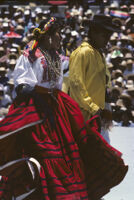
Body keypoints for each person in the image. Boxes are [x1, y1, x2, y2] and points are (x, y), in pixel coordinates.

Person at [0, 17, 128, 200]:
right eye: (58, 34)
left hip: (56, 107)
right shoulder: (31, 55)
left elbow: (60, 84)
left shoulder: (57, 56)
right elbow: (23, 83)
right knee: (43, 153)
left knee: (68, 154)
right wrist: (35, 96)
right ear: (48, 36)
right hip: (37, 110)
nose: (61, 37)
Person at [69, 14, 120, 141]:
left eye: (109, 36)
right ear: (94, 32)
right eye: (104, 36)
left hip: (98, 117)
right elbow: (77, 86)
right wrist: (94, 108)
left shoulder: (99, 53)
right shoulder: (82, 53)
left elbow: (103, 83)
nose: (107, 40)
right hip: (84, 118)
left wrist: (106, 103)